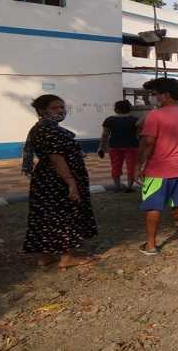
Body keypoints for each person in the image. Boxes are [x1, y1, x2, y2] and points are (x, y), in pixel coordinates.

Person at [22, 95, 97, 270]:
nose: (61, 111)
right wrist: (71, 183)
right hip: (57, 181)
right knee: (63, 216)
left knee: (45, 216)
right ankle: (66, 258)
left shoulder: (39, 128)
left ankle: (45, 256)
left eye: (62, 107)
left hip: (45, 179)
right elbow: (57, 159)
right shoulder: (51, 130)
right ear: (42, 110)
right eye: (55, 108)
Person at [136, 78, 178, 255]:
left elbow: (148, 143)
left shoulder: (155, 115)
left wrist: (139, 165)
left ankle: (151, 245)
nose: (153, 98)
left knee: (153, 206)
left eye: (155, 94)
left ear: (165, 95)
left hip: (158, 170)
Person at [98, 100, 139, 193]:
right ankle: (129, 187)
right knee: (131, 167)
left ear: (116, 109)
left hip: (114, 146)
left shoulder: (109, 120)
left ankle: (117, 187)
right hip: (132, 146)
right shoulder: (135, 120)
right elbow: (138, 135)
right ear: (129, 109)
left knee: (115, 166)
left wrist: (101, 148)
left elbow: (105, 135)